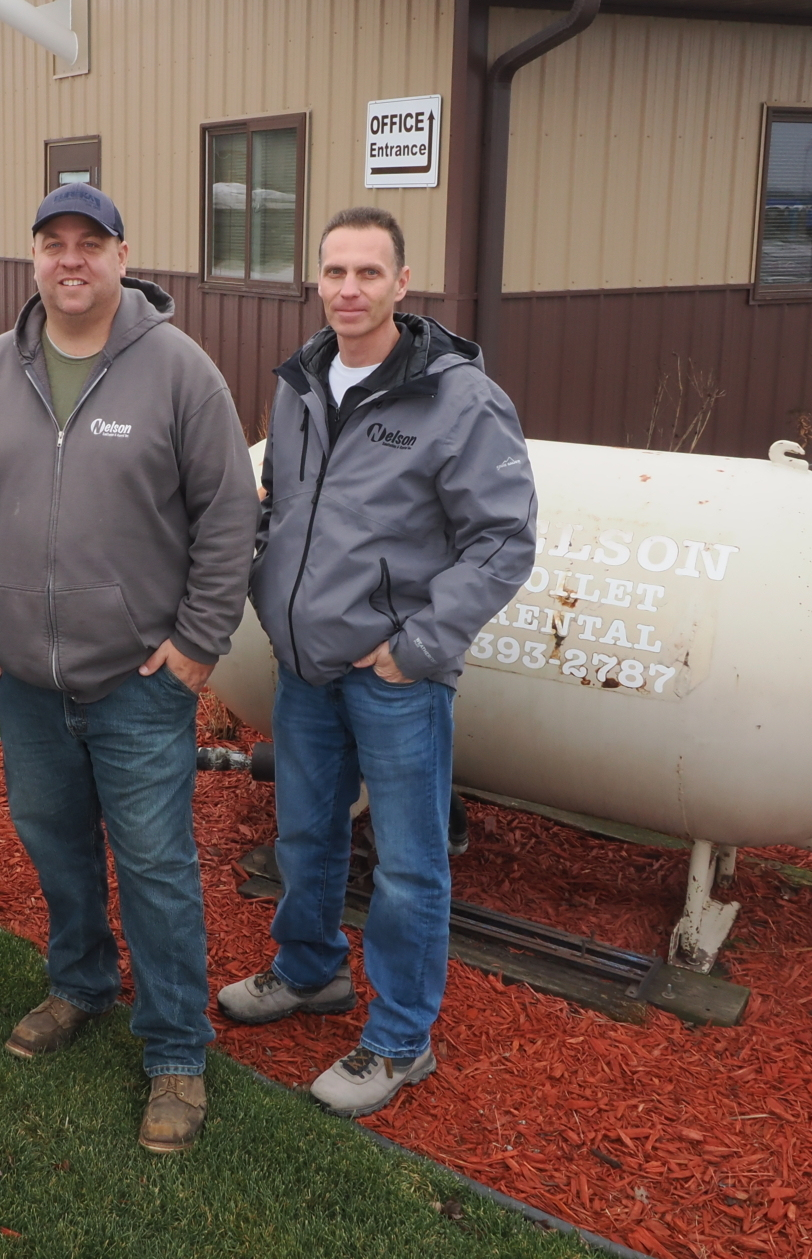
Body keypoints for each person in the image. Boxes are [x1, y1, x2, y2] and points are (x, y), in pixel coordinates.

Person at [0, 183, 258, 1155]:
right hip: (25, 682)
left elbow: (228, 516)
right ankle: (79, 983)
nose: (69, 260)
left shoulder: (178, 371)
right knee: (56, 846)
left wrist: (197, 645)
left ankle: (176, 1049)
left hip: (138, 682)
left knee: (155, 866)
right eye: (52, 243)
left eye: (89, 243)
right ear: (32, 258)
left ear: (122, 255)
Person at [219, 207, 535, 1116]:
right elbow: (283, 503)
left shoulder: (458, 398)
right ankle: (309, 970)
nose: (349, 289)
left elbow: (504, 540)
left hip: (395, 677)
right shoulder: (302, 381)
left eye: (368, 272)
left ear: (402, 283)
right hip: (306, 666)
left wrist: (418, 648)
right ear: (316, 280)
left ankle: (401, 1040)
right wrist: (267, 588)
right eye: (334, 271)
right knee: (305, 834)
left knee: (406, 864)